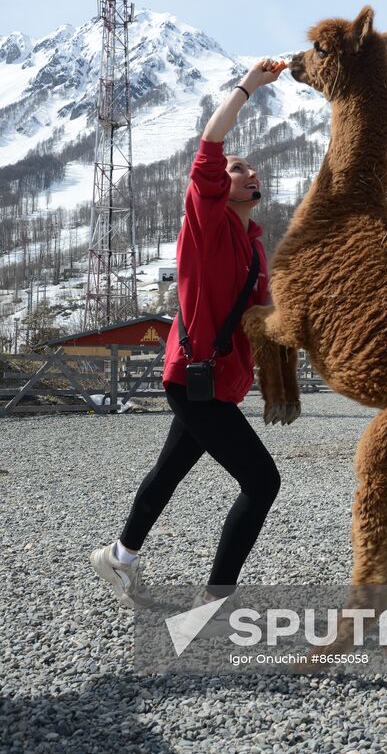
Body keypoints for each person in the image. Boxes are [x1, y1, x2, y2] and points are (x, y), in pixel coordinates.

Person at [90, 58, 286, 611]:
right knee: (262, 482)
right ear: (221, 183)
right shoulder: (207, 219)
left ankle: (119, 558)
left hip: (220, 382)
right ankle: (215, 600)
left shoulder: (253, 244)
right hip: (193, 375)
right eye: (240, 167)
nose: (250, 173)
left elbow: (263, 317)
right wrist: (251, 84)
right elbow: (210, 143)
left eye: (252, 169)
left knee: (170, 469)